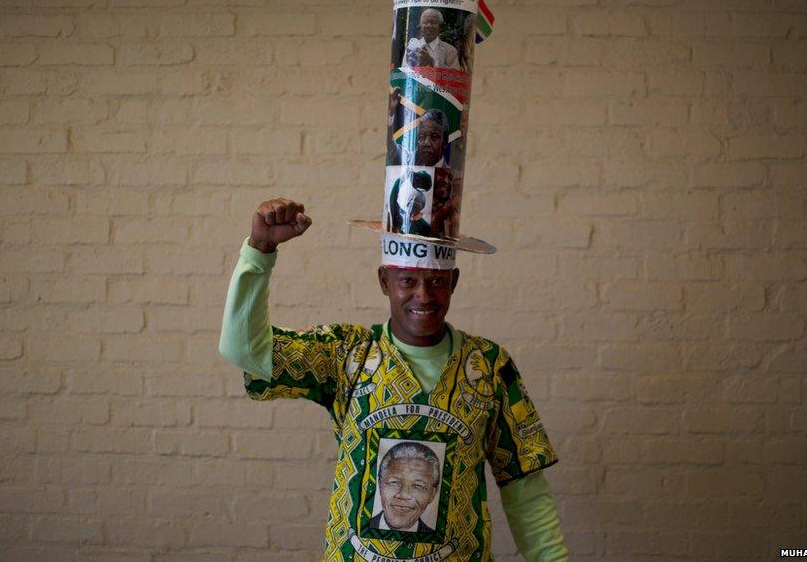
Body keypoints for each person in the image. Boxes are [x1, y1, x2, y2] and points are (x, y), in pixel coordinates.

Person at [218, 198, 569, 561]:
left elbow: (525, 490)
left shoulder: (489, 366)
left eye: (437, 281)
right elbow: (244, 350)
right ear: (384, 281)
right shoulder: (346, 354)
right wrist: (260, 250)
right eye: (407, 280)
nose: (423, 295)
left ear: (454, 281)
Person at [369, 442, 441, 532]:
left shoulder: (434, 536)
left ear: (432, 494)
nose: (404, 494)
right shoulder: (362, 528)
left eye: (418, 485)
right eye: (394, 482)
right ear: (380, 486)